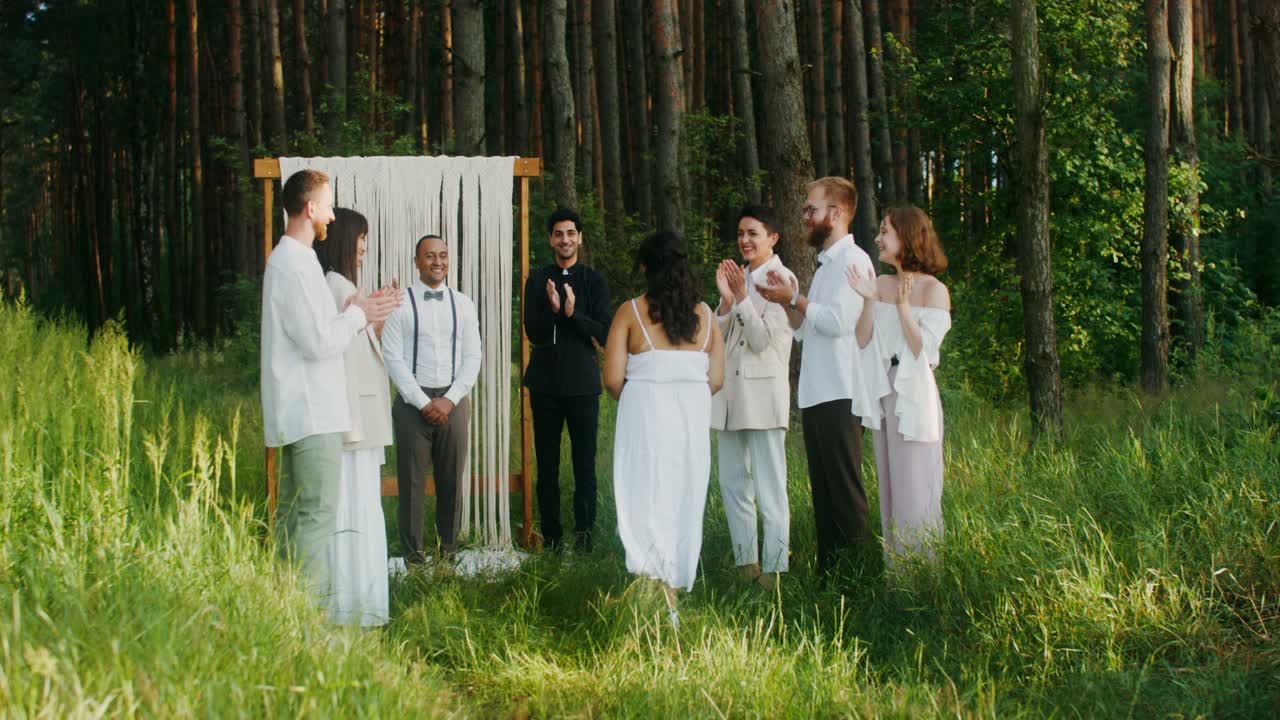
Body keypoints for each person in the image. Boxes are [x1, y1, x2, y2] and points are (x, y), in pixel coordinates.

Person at [261, 169, 400, 606]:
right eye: (328, 205)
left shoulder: (295, 262)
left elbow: (319, 330)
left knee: (296, 518)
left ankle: (285, 613)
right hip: (313, 411)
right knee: (315, 518)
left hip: (306, 409)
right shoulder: (292, 264)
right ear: (310, 208)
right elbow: (319, 341)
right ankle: (308, 620)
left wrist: (358, 310)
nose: (333, 214)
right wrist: (359, 316)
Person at [605, 231, 725, 627]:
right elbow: (717, 379)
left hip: (645, 416)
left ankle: (653, 588)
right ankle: (671, 590)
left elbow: (611, 379)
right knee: (682, 497)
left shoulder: (629, 312)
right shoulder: (707, 316)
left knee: (644, 493)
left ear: (645, 267)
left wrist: (646, 394)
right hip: (689, 419)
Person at [757, 176, 875, 575]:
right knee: (823, 494)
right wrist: (787, 298)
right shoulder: (827, 263)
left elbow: (840, 321)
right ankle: (831, 579)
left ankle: (854, 581)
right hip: (817, 392)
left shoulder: (853, 260)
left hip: (841, 391)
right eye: (805, 209)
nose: (805, 217)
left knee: (843, 492)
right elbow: (807, 328)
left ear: (836, 213)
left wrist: (794, 297)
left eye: (812, 209)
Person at [846, 206, 951, 568]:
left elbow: (924, 350)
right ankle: (898, 576)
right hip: (884, 392)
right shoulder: (879, 283)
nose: (878, 238)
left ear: (906, 237)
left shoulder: (935, 291)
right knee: (890, 487)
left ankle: (923, 574)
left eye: (885, 231)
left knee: (916, 486)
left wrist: (904, 307)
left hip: (915, 393)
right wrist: (867, 300)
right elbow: (862, 339)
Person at [381, 235, 482, 565]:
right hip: (413, 404)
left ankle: (447, 554)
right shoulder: (401, 304)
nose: (437, 261)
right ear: (416, 261)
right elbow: (392, 357)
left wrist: (450, 400)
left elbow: (473, 357)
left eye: (442, 256)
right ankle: (413, 557)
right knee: (411, 484)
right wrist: (423, 401)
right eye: (429, 256)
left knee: (451, 481)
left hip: (453, 402)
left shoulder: (464, 304)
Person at [710, 206, 796, 590]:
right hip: (729, 397)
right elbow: (718, 337)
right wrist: (727, 301)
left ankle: (775, 572)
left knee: (770, 487)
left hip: (763, 395)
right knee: (732, 483)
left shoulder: (782, 278)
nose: (745, 240)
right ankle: (747, 563)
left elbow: (762, 342)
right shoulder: (739, 277)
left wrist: (742, 298)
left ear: (772, 238)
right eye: (741, 233)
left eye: (754, 234)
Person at [314, 207, 392, 626]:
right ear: (344, 239)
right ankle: (353, 606)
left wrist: (374, 321)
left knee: (360, 507)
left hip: (358, 419)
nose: (364, 247)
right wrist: (364, 315)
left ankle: (358, 603)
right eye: (361, 238)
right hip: (351, 421)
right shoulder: (336, 286)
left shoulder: (344, 286)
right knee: (353, 509)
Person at [523, 208, 612, 553]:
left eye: (571, 233)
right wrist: (551, 307)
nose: (565, 240)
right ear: (550, 239)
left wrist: (573, 313)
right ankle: (553, 539)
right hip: (545, 384)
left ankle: (585, 539)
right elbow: (535, 332)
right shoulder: (537, 280)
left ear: (580, 237)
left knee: (584, 465)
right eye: (558, 233)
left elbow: (603, 332)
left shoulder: (594, 281)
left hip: (583, 385)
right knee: (546, 466)